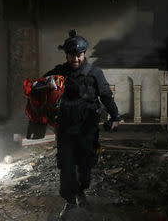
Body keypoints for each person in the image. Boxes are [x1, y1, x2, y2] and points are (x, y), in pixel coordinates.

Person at [44, 29, 120, 220]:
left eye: (79, 55)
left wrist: (115, 116)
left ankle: (81, 191)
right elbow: (42, 85)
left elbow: (106, 97)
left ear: (84, 53)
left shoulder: (95, 73)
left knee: (85, 166)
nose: (75, 59)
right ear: (66, 55)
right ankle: (69, 201)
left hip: (87, 129)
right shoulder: (59, 72)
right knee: (67, 166)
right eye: (71, 55)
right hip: (65, 129)